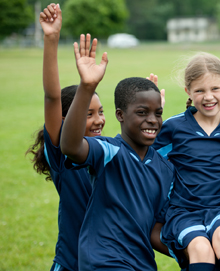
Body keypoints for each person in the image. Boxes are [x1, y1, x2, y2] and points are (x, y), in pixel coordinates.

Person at [60, 33, 174, 271]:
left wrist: (193, 254)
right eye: (142, 113)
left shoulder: (165, 168)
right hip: (103, 262)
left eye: (158, 113)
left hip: (142, 265)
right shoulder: (109, 151)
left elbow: (156, 229)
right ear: (120, 115)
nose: (152, 120)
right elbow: (71, 147)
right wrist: (87, 86)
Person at [25, 5, 105, 271]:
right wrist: (51, 39)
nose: (98, 120)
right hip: (72, 263)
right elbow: (52, 97)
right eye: (88, 114)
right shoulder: (62, 153)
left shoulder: (106, 151)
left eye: (100, 112)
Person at [152, 52, 220, 271]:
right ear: (188, 92)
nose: (208, 97)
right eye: (199, 91)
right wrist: (153, 114)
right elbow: (147, 160)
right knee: (201, 248)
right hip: (183, 211)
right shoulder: (173, 128)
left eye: (215, 89)